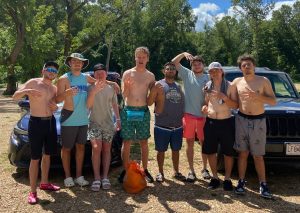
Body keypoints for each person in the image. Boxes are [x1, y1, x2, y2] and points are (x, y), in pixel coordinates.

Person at [13, 61, 61, 204]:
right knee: (35, 158)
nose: (51, 72)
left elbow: (54, 105)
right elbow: (15, 96)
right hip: (36, 123)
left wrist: (55, 108)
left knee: (47, 155)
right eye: (49, 69)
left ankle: (45, 182)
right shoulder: (33, 82)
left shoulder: (54, 88)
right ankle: (32, 192)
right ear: (43, 70)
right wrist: (26, 91)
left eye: (54, 71)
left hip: (51, 122)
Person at [56, 53, 105, 187]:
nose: (77, 63)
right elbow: (56, 99)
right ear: (69, 63)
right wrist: (65, 94)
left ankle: (79, 176)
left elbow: (98, 82)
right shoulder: (64, 79)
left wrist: (114, 84)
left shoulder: (85, 77)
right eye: (74, 61)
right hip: (69, 118)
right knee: (66, 148)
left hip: (83, 118)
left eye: (80, 62)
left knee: (81, 147)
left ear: (83, 64)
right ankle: (67, 177)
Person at [232, 54, 276, 198]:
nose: (246, 67)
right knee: (242, 153)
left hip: (258, 120)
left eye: (249, 65)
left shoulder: (263, 81)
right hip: (242, 119)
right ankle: (241, 182)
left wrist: (258, 97)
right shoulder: (237, 81)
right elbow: (224, 91)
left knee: (258, 155)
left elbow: (273, 101)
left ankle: (263, 184)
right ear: (240, 68)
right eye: (243, 65)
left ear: (254, 66)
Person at [171, 52, 211, 182]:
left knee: (204, 143)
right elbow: (174, 62)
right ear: (191, 65)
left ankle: (205, 169)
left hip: (204, 116)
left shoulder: (209, 78)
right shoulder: (187, 74)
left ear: (203, 65)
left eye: (199, 63)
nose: (197, 65)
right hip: (188, 115)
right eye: (194, 64)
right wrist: (183, 54)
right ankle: (191, 170)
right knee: (189, 142)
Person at [118, 46, 155, 183]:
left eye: (143, 57)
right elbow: (124, 95)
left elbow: (152, 96)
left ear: (147, 59)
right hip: (129, 110)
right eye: (138, 56)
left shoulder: (150, 75)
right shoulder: (128, 73)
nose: (140, 59)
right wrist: (126, 88)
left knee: (144, 142)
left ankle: (145, 169)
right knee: (127, 141)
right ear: (135, 57)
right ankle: (125, 170)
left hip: (143, 111)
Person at [201, 62, 238, 190]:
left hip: (226, 121)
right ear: (209, 74)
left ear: (222, 71)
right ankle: (215, 177)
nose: (214, 73)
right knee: (210, 151)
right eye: (211, 71)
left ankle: (227, 179)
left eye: (216, 70)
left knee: (228, 152)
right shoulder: (208, 86)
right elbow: (206, 102)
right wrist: (204, 107)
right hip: (211, 122)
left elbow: (235, 105)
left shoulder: (230, 86)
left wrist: (225, 98)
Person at [147, 62, 185, 182]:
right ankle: (160, 172)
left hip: (177, 126)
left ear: (175, 72)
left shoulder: (178, 86)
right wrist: (153, 91)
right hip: (162, 125)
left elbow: (181, 103)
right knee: (161, 151)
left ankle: (176, 171)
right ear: (164, 71)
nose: (170, 70)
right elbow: (149, 102)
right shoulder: (158, 84)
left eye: (173, 69)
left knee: (176, 150)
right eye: (168, 69)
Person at [87, 63, 121, 191]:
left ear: (106, 74)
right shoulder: (89, 88)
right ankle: (96, 178)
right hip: (94, 123)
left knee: (107, 149)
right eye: (97, 73)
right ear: (94, 75)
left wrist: (118, 119)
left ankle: (105, 177)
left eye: (102, 73)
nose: (100, 75)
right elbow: (88, 105)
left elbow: (114, 105)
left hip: (108, 124)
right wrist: (95, 89)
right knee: (96, 148)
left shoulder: (111, 88)